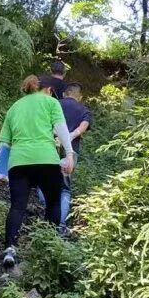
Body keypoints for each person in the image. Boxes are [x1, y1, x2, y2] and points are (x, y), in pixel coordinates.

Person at [0, 75, 75, 268]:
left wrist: (0, 170)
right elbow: (61, 129)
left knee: (17, 206)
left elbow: (4, 144)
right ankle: (47, 248)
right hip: (46, 159)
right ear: (48, 90)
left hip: (18, 162)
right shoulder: (51, 102)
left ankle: (10, 249)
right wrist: (70, 153)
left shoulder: (15, 107)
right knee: (53, 203)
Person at [56, 82, 93, 230]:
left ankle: (48, 216)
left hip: (50, 147)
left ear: (65, 93)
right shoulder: (84, 110)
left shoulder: (56, 104)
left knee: (44, 182)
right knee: (64, 188)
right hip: (71, 152)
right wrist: (71, 136)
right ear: (80, 97)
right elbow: (83, 126)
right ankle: (61, 224)